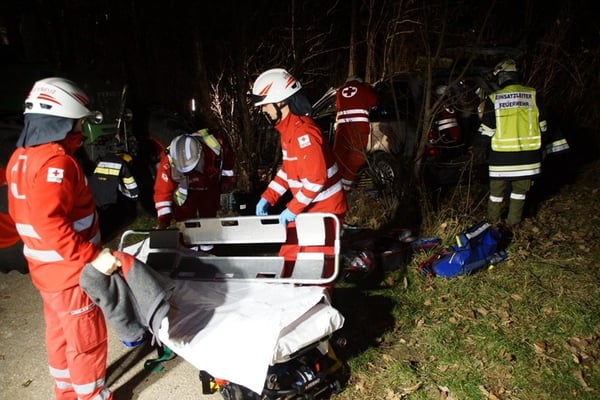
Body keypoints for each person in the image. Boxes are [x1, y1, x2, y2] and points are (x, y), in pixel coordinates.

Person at [5, 77, 114, 399]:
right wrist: (93, 255)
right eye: (78, 121)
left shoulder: (20, 157)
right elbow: (50, 223)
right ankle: (92, 395)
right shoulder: (57, 162)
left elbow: (24, 215)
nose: (81, 128)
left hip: (46, 272)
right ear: (63, 120)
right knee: (86, 340)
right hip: (71, 273)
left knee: (59, 334)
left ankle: (65, 392)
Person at [251, 68, 347, 277]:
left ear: (281, 102)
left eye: (265, 105)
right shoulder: (289, 131)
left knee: (316, 264)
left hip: (325, 211)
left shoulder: (304, 134)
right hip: (308, 209)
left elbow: (316, 180)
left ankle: (317, 295)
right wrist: (268, 197)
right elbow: (289, 171)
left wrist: (291, 209)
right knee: (289, 253)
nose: (263, 110)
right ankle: (285, 288)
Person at [478, 59, 548, 227]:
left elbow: (487, 129)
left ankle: (493, 225)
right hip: (528, 158)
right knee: (519, 193)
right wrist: (542, 149)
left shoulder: (494, 98)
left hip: (500, 159)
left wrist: (478, 147)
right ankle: (513, 224)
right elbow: (543, 127)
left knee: (496, 194)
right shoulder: (534, 95)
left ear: (501, 77)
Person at [153, 128, 235, 233]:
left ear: (200, 154)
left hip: (210, 188)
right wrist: (163, 220)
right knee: (186, 227)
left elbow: (228, 161)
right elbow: (162, 193)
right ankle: (188, 241)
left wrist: (227, 180)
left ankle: (209, 240)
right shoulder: (168, 163)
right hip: (186, 192)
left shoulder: (215, 146)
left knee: (209, 222)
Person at [333, 75, 379, 191]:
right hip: (359, 127)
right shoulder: (364, 89)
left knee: (339, 156)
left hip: (342, 128)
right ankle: (346, 184)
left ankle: (334, 184)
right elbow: (374, 102)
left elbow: (337, 107)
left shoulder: (340, 91)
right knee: (358, 156)